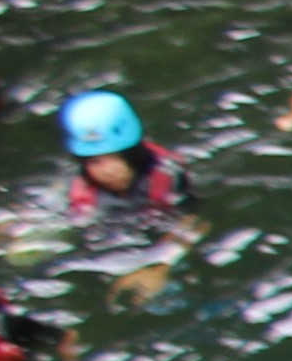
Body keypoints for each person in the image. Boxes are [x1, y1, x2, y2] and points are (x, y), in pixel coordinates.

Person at [53, 91, 192, 296]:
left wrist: (161, 268)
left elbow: (194, 223)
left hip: (147, 236)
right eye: (95, 161)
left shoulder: (168, 176)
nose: (108, 171)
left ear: (133, 152)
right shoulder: (77, 184)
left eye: (115, 158)